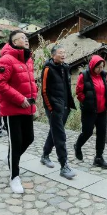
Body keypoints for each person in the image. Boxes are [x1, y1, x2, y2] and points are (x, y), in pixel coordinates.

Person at [0, 30, 37, 194]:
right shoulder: (6, 59)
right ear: (13, 42)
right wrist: (20, 99)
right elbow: (0, 85)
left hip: (27, 107)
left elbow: (31, 83)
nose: (26, 40)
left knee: (29, 138)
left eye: (26, 38)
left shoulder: (28, 59)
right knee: (16, 142)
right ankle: (14, 177)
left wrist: (34, 100)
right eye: (22, 38)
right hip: (12, 110)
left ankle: (12, 158)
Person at [40, 44, 77, 179]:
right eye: (60, 52)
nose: (63, 54)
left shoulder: (65, 67)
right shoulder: (48, 69)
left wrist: (67, 105)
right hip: (54, 108)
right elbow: (43, 91)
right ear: (53, 55)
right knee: (60, 135)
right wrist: (50, 108)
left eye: (64, 52)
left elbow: (66, 88)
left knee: (54, 131)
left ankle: (45, 155)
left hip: (64, 107)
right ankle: (64, 166)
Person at [74, 55, 107, 169]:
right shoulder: (84, 76)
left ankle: (99, 158)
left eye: (102, 67)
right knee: (87, 132)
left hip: (102, 111)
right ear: (92, 66)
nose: (100, 69)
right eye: (98, 67)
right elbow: (79, 92)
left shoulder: (104, 76)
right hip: (89, 111)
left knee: (101, 133)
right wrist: (85, 102)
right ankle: (78, 146)